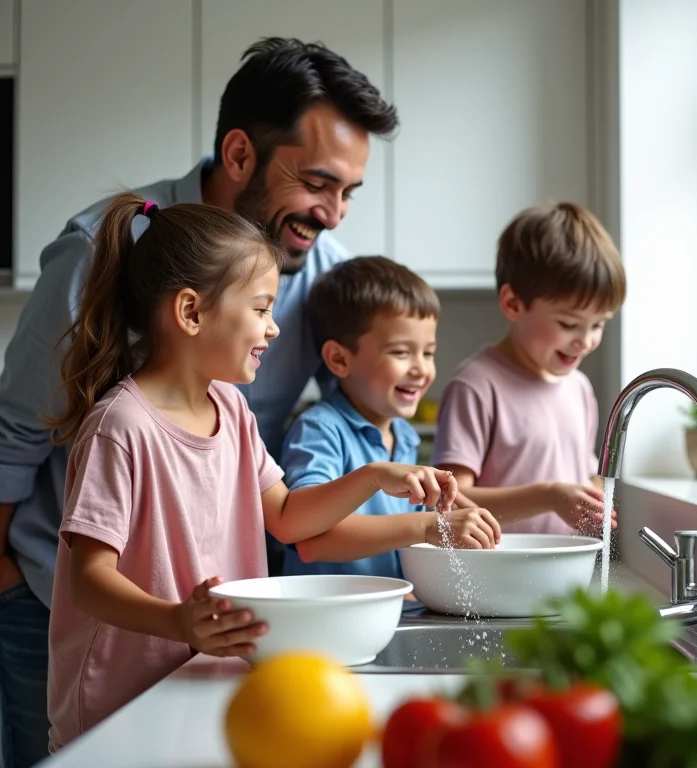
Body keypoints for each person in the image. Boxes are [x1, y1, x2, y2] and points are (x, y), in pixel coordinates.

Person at [0, 37, 397, 766]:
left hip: (212, 628)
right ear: (240, 154)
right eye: (318, 182)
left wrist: (402, 487)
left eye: (349, 192)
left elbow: (288, 495)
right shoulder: (99, 257)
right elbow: (15, 436)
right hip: (72, 606)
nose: (335, 214)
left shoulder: (313, 280)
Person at [45, 194, 457, 751]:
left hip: (206, 677)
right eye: (261, 309)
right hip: (122, 702)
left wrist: (373, 477)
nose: (275, 329)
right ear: (191, 312)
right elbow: (89, 580)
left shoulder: (231, 409)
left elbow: (287, 517)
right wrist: (178, 622)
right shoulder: (121, 426)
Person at [280, 257, 501, 585]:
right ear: (340, 359)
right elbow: (312, 540)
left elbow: (397, 536)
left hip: (389, 607)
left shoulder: (404, 435)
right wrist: (428, 528)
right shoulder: (320, 430)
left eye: (428, 353)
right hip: (328, 620)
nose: (422, 369)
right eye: (401, 353)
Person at [432, 202, 625, 535]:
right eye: (569, 323)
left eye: (598, 325)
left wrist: (592, 496)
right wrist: (548, 497)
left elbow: (583, 473)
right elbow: (451, 499)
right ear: (513, 304)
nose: (586, 340)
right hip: (494, 578)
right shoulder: (477, 386)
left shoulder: (579, 388)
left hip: (561, 574)